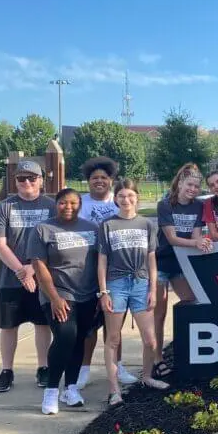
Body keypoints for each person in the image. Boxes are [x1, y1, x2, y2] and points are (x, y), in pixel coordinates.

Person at [96, 179, 167, 406]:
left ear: (137, 197)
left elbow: (152, 260)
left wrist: (152, 290)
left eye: (130, 196)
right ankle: (114, 389)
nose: (126, 200)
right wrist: (103, 292)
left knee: (150, 340)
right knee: (113, 339)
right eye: (121, 196)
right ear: (115, 198)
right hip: (116, 284)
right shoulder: (107, 225)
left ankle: (146, 377)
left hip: (141, 283)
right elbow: (102, 261)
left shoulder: (146, 224)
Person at [28, 189, 99, 415]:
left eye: (73, 203)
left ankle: (71, 388)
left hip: (87, 294)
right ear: (55, 204)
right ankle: (51, 391)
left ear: (80, 205)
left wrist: (101, 292)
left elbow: (100, 262)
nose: (68, 207)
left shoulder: (92, 228)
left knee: (79, 338)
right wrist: (55, 298)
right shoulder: (43, 229)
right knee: (65, 336)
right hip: (58, 292)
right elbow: (40, 267)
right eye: (62, 203)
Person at [0, 160, 54, 393]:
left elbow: (54, 242)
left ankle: (43, 367)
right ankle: (6, 370)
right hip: (9, 279)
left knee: (42, 323)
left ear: (41, 180)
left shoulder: (51, 206)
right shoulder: (5, 207)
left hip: (42, 277)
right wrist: (21, 270)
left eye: (32, 178)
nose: (26, 182)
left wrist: (32, 269)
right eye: (21, 178)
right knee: (8, 326)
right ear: (15, 181)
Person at [75, 157, 138, 391]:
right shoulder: (80, 203)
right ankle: (83, 370)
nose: (99, 181)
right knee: (89, 327)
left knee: (114, 326)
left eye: (103, 177)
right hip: (85, 270)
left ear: (111, 180)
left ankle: (117, 367)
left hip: (116, 271)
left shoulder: (119, 202)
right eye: (94, 178)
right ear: (88, 181)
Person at [154, 163, 213, 377]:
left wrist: (203, 242)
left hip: (183, 264)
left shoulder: (198, 206)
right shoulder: (165, 205)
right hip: (162, 262)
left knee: (191, 303)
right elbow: (171, 238)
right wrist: (196, 243)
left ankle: (189, 352)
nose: (193, 189)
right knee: (158, 314)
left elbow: (196, 236)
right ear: (180, 183)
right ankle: (157, 358)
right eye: (190, 184)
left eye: (197, 186)